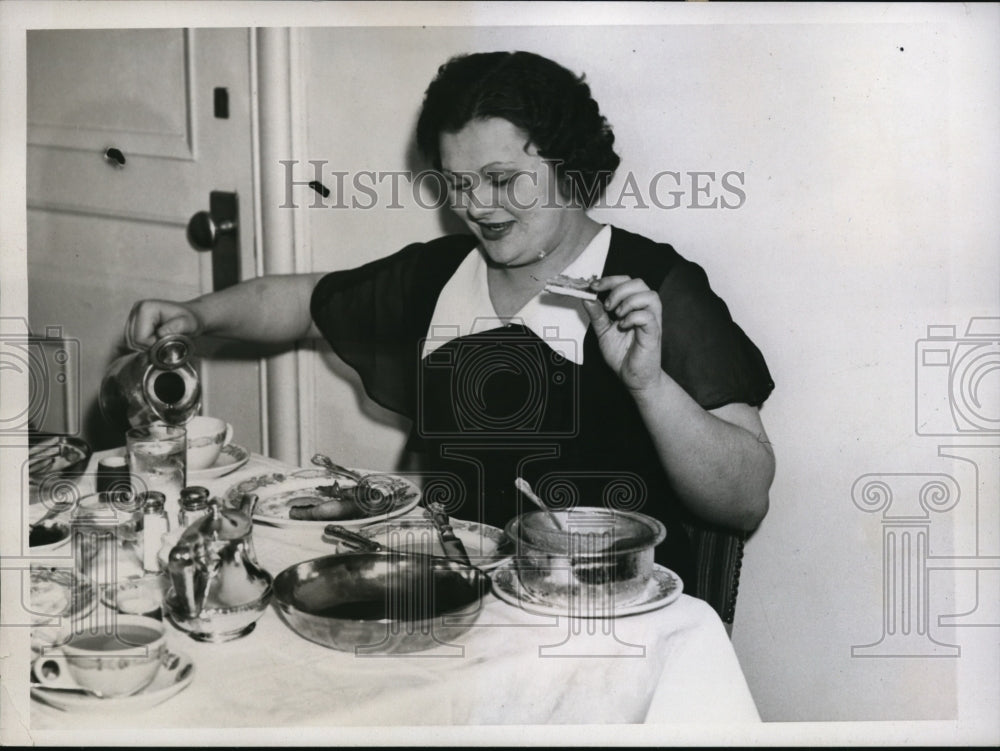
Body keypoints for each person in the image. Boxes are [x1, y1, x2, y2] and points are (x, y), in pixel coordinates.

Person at [125, 51, 775, 588]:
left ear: (569, 166)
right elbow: (299, 300)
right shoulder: (441, 275)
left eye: (501, 179)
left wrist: (650, 386)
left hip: (610, 610)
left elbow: (746, 496)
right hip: (465, 597)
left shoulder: (653, 283)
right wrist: (194, 314)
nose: (477, 207)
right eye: (457, 183)